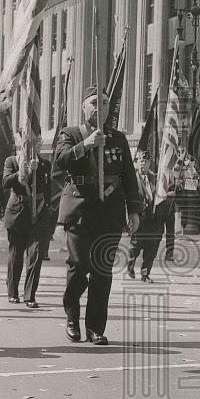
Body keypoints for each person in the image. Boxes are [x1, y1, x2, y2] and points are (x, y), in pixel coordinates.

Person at [55, 86, 141, 345]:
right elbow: (60, 161)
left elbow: (129, 176)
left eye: (104, 102)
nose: (99, 107)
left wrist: (134, 209)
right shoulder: (71, 133)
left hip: (110, 211)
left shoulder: (118, 138)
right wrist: (86, 145)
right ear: (83, 107)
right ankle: (72, 317)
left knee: (102, 271)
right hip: (81, 209)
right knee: (79, 266)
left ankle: (95, 327)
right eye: (94, 102)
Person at [2, 139, 53, 306]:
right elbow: (5, 182)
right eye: (28, 143)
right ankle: (13, 291)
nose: (33, 146)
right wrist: (21, 173)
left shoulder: (44, 164)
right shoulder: (12, 161)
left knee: (35, 254)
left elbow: (49, 188)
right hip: (19, 211)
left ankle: (30, 295)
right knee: (16, 254)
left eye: (37, 142)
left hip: (39, 213)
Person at [127, 152, 161, 282]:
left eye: (145, 161)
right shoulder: (132, 179)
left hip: (153, 220)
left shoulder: (156, 179)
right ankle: (130, 266)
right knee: (135, 245)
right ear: (137, 162)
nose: (143, 163)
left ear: (149, 164)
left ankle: (145, 274)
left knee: (151, 249)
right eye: (141, 160)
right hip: (139, 218)